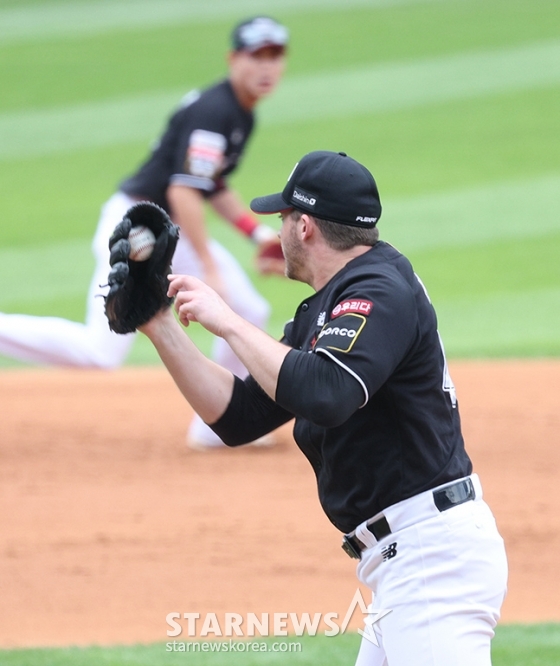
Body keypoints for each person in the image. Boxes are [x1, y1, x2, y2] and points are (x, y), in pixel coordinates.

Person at [139, 150, 508, 665]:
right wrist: (159, 324)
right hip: (403, 562)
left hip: (431, 562)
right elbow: (240, 416)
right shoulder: (330, 303)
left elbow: (328, 393)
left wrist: (227, 321)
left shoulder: (379, 291)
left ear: (305, 226)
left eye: (283, 218)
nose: (279, 230)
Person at [0, 16, 289, 450]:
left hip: (165, 231)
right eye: (256, 56)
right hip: (137, 232)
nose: (266, 67)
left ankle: (216, 426)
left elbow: (212, 183)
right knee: (100, 354)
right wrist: (209, 266)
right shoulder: (219, 110)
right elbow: (184, 190)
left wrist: (256, 234)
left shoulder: (237, 110)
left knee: (247, 308)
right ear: (233, 59)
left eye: (275, 55)